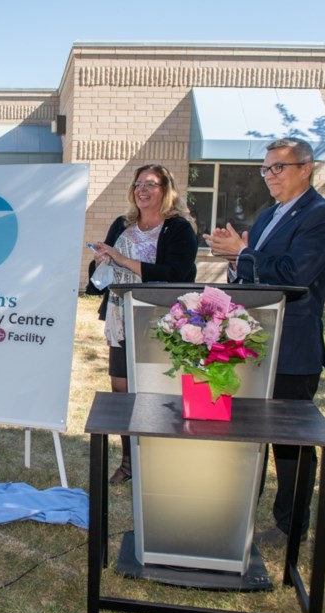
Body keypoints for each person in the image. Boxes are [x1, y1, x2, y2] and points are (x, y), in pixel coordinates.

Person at [203, 137, 325, 545]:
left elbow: (295, 274)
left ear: (307, 168)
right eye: (266, 169)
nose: (270, 176)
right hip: (252, 343)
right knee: (246, 434)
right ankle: (240, 511)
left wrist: (243, 253)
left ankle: (291, 526)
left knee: (290, 445)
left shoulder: (320, 215)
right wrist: (234, 262)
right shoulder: (266, 218)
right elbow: (252, 275)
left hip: (293, 349)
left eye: (278, 167)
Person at [90, 164, 198, 484]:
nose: (143, 189)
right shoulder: (122, 224)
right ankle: (129, 463)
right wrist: (101, 263)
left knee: (157, 391)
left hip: (161, 320)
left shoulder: (178, 228)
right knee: (122, 389)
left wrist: (121, 259)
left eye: (151, 184)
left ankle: (162, 463)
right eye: (138, 184)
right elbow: (97, 280)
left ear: (166, 189)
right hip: (121, 317)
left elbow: (176, 273)